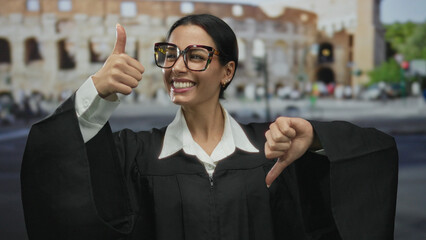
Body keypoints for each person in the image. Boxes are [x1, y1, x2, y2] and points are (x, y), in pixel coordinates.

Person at [21, 14, 398, 240]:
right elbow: (54, 161)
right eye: (169, 55)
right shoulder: (135, 154)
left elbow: (375, 153)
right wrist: (94, 93)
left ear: (227, 71)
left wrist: (316, 139)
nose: (177, 67)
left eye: (196, 56)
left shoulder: (271, 148)